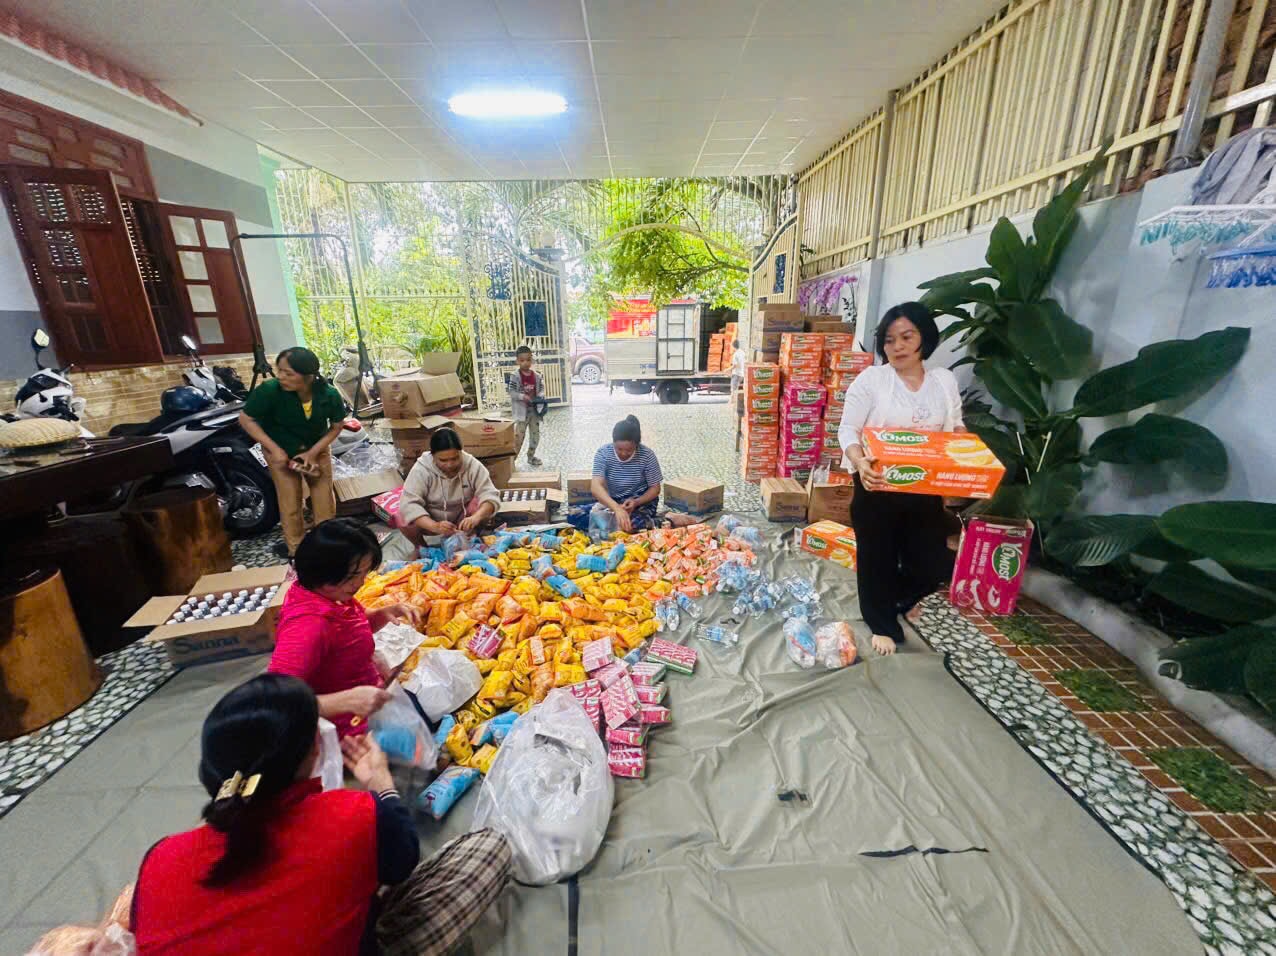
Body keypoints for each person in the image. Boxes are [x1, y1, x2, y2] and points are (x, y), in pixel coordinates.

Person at [130, 673, 512, 956]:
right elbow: (401, 862)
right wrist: (381, 783)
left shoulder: (158, 861)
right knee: (489, 847)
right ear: (314, 751)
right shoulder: (352, 816)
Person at [837, 301, 963, 658]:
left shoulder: (943, 382)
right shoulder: (873, 381)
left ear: (925, 337)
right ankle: (882, 623)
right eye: (890, 340)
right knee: (878, 558)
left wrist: (970, 460)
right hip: (877, 485)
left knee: (933, 563)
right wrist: (860, 462)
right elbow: (848, 429)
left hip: (923, 488)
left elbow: (955, 429)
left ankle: (898, 598)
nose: (898, 346)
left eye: (907, 336)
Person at [268, 519, 419, 738]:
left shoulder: (330, 594)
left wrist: (382, 614)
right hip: (344, 729)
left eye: (364, 572)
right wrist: (345, 701)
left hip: (365, 698)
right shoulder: (308, 627)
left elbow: (349, 629)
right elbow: (275, 700)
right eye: (353, 576)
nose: (361, 583)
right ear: (323, 572)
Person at [239, 347, 348, 559]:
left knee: (324, 500)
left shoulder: (329, 394)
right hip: (279, 450)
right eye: (279, 371)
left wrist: (313, 453)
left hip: (316, 449)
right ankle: (297, 551)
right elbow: (246, 419)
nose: (281, 377)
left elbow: (336, 426)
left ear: (309, 376)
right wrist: (275, 450)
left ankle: (327, 547)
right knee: (290, 503)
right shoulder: (269, 391)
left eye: (288, 373)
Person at [398, 428, 502, 544]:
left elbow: (490, 494)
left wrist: (475, 517)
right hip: (431, 518)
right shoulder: (421, 469)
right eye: (443, 460)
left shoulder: (473, 465)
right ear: (432, 456)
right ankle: (421, 548)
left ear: (461, 452)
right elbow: (409, 504)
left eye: (455, 458)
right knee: (402, 516)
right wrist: (435, 526)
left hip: (462, 516)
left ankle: (471, 539)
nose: (450, 465)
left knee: (482, 504)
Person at [590, 415, 664, 533]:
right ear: (613, 442)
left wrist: (636, 502)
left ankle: (666, 520)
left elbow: (655, 489)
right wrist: (616, 508)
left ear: (637, 445)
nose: (624, 453)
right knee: (575, 516)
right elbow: (595, 486)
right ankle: (618, 521)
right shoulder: (603, 453)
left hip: (641, 501)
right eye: (619, 449)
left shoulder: (647, 455)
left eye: (629, 450)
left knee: (628, 525)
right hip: (614, 500)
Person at [507, 345, 545, 467]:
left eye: (528, 359)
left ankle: (531, 456)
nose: (526, 363)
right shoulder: (515, 376)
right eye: (522, 360)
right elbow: (512, 393)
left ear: (532, 360)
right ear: (517, 361)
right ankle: (512, 460)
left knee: (535, 435)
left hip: (534, 412)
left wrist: (540, 397)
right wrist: (522, 397)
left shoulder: (537, 376)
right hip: (521, 413)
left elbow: (541, 390)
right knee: (518, 437)